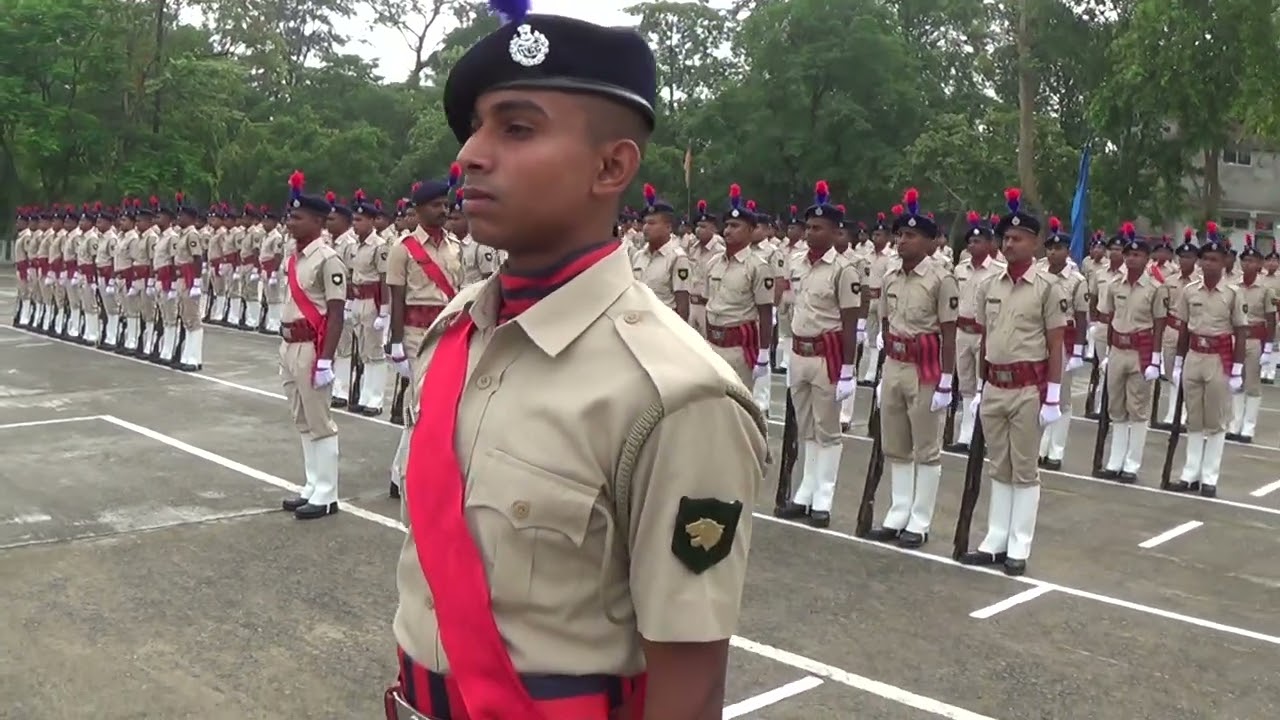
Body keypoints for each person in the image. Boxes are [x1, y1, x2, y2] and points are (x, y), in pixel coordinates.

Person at [386, 8, 767, 720]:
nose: (469, 153)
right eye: (475, 125)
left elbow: (688, 685)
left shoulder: (675, 394)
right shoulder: (457, 333)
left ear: (611, 166)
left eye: (516, 127)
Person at [959, 188, 1066, 577]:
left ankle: (1019, 545)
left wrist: (1052, 395)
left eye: (1017, 238)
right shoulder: (991, 285)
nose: (1009, 243)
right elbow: (987, 338)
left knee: (1024, 468)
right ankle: (995, 540)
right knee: (998, 465)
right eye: (1005, 238)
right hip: (996, 387)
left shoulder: (1049, 287)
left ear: (1035, 243)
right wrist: (981, 384)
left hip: (1026, 388)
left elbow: (1056, 343)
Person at [864, 189, 958, 548]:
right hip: (896, 364)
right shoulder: (890, 276)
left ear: (930, 241)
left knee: (926, 447)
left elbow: (949, 332)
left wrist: (947, 381)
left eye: (910, 236)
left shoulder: (941, 278)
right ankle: (898, 511)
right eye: (899, 234)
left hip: (926, 368)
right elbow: (886, 325)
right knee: (896, 444)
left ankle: (920, 520)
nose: (902, 241)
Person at [773, 181, 861, 528]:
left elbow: (851, 322)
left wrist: (849, 370)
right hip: (799, 352)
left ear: (835, 231)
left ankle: (824, 496)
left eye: (818, 228)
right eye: (808, 227)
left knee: (827, 429)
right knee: (806, 426)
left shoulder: (844, 270)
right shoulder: (796, 263)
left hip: (827, 355)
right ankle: (805, 492)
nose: (810, 233)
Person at [385, 166, 465, 499]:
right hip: (416, 334)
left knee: (442, 404)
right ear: (418, 210)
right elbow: (397, 298)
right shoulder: (403, 249)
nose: (443, 210)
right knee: (418, 404)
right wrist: (396, 342)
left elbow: (459, 290)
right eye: (435, 205)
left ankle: (410, 471)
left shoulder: (455, 246)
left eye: (445, 204)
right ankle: (402, 475)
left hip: (448, 330)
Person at [278, 171, 347, 519]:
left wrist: (326, 360)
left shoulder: (328, 259)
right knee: (302, 419)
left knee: (320, 421)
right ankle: (312, 484)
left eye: (298, 216)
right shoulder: (293, 258)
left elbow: (336, 313)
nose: (291, 221)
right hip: (289, 345)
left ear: (319, 222)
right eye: (290, 215)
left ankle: (327, 493)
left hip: (311, 347)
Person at [1169, 223, 1247, 496]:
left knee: (1215, 420)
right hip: (1194, 355)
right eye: (1205, 259)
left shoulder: (1233, 293)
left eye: (1214, 259)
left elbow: (1241, 330)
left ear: (1225, 262)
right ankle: (1190, 473)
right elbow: (1182, 327)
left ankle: (1209, 477)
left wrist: (1237, 369)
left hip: (1218, 357)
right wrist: (1178, 363)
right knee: (1194, 418)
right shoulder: (1190, 290)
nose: (1208, 264)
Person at [1093, 223, 1167, 482]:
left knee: (1137, 408)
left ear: (1147, 259)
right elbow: (1110, 318)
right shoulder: (1115, 285)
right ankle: (1115, 459)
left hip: (1141, 351)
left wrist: (1155, 360)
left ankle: (1132, 463)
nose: (1131, 258)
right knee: (1116, 407)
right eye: (1128, 254)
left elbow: (1159, 324)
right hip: (1118, 350)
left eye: (1137, 255)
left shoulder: (1155, 288)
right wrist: (1107, 354)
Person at [703, 183, 773, 387]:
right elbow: (709, 303)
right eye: (727, 225)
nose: (728, 231)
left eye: (735, 226)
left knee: (738, 408)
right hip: (712, 343)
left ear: (751, 231)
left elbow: (765, 312)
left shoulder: (757, 266)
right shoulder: (713, 263)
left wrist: (764, 353)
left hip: (739, 349)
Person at [947, 211, 1004, 452]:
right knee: (966, 385)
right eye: (970, 241)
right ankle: (966, 436)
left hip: (985, 333)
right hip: (962, 331)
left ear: (990, 244)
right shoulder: (960, 269)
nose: (972, 245)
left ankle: (985, 437)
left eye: (978, 241)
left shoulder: (998, 271)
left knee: (985, 384)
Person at [1036, 218, 1089, 471]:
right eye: (1049, 248)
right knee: (1038, 393)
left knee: (1062, 398)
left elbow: (1080, 316)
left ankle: (1056, 450)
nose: (1053, 252)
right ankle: (1040, 446)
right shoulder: (1037, 273)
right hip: (1038, 337)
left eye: (1058, 248)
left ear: (1068, 251)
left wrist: (1078, 351)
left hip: (1064, 340)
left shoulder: (1077, 280)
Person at [1224, 235, 1274, 443]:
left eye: (1252, 261)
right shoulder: (1234, 287)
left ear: (1260, 264)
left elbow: (1270, 319)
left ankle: (1248, 427)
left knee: (1252, 384)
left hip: (1254, 340)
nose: (1247, 264)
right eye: (1244, 260)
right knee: (1236, 382)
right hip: (1237, 339)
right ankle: (1234, 424)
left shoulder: (1265, 289)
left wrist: (1269, 347)